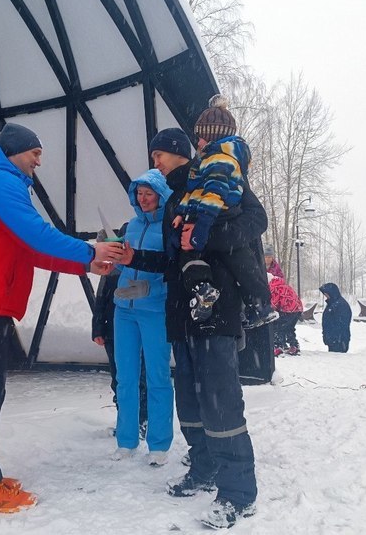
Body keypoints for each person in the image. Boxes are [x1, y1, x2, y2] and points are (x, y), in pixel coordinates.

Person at [0, 123, 123, 513]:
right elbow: (37, 234)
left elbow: (31, 250)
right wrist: (91, 250)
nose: (40, 159)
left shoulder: (5, 185)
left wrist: (88, 264)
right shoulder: (0, 184)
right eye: (34, 152)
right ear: (13, 151)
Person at [119, 126, 266, 529]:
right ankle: (204, 468)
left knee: (220, 399)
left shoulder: (218, 180)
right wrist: (140, 258)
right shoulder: (172, 202)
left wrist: (205, 234)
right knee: (190, 398)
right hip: (181, 312)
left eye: (160, 154)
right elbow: (173, 262)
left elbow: (256, 223)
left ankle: (238, 492)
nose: (155, 161)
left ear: (184, 152)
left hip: (216, 307)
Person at [173, 95, 277, 329]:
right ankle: (257, 302)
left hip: (219, 217)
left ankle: (254, 301)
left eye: (200, 137)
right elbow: (196, 193)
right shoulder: (209, 163)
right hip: (214, 219)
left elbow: (215, 197)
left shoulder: (218, 162)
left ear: (210, 136)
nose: (197, 142)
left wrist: (203, 232)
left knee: (235, 257)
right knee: (237, 259)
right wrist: (182, 212)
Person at [109, 169, 173, 465]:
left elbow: (170, 267)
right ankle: (126, 440)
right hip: (125, 311)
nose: (143, 199)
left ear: (161, 196)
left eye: (149, 194)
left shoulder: (169, 229)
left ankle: (159, 445)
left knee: (158, 377)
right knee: (126, 378)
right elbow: (124, 265)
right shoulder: (130, 226)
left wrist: (151, 285)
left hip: (154, 311)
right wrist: (113, 261)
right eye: (139, 193)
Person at [91, 254, 148, 438]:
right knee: (119, 379)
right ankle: (125, 421)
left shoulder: (146, 266)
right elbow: (100, 299)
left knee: (141, 378)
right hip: (113, 332)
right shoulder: (112, 268)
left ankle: (142, 421)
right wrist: (98, 328)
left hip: (139, 331)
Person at [268, 273, 303, 356]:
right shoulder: (284, 285)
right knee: (289, 328)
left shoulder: (274, 288)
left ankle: (277, 347)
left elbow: (274, 303)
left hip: (288, 310)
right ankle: (294, 345)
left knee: (277, 328)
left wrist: (270, 309)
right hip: (297, 309)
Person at [319, 283, 352, 353]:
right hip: (333, 340)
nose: (325, 296)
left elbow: (342, 324)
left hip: (339, 341)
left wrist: (337, 338)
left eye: (326, 294)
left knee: (337, 359)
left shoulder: (340, 305)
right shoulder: (332, 303)